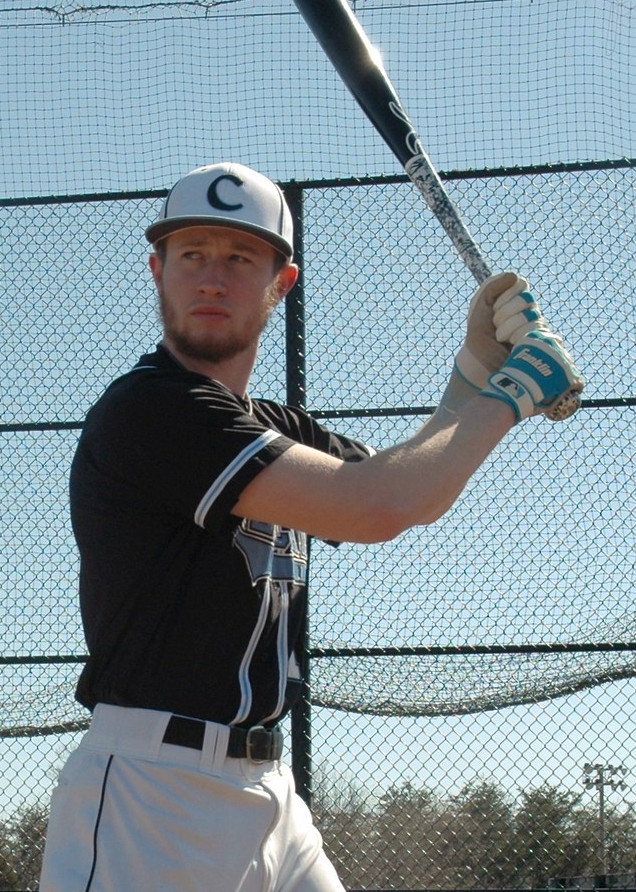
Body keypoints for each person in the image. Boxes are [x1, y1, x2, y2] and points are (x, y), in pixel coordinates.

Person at [40, 162, 583, 892]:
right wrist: (513, 392)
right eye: (191, 254)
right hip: (152, 798)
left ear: (279, 285)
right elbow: (375, 507)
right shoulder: (150, 410)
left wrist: (476, 370)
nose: (210, 278)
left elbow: (413, 491)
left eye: (239, 258)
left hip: (267, 789)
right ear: (157, 270)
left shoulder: (274, 428)